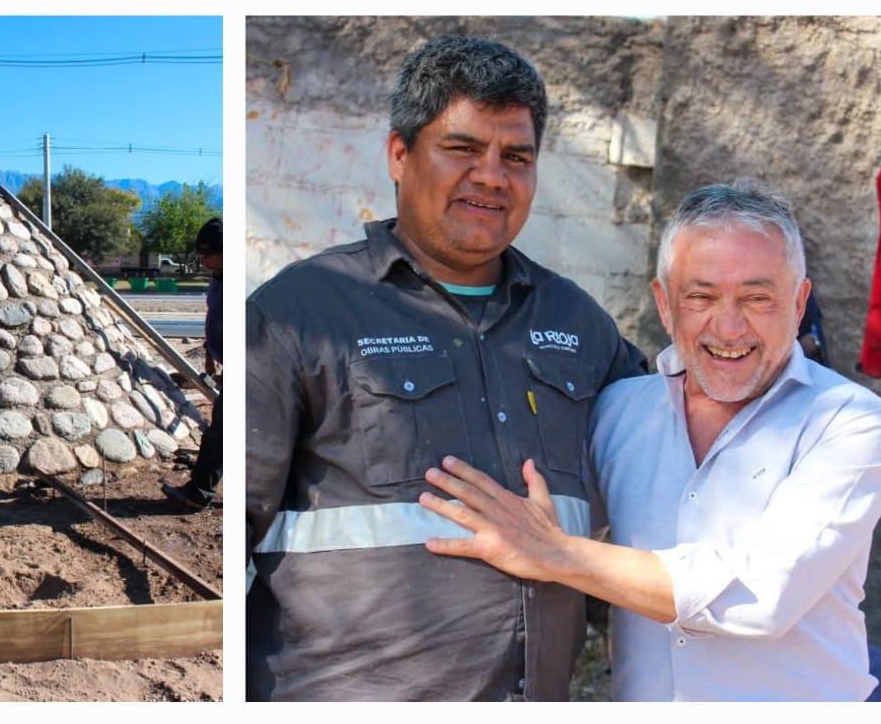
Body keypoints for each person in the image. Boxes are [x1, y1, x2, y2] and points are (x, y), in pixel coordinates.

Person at [246, 35, 646, 700]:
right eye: (462, 148)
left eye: (516, 157)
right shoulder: (299, 313)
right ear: (399, 155)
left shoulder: (579, 324)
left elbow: (665, 460)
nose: (492, 175)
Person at [419, 181, 881, 702]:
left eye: (758, 298)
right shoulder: (619, 411)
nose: (730, 326)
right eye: (701, 297)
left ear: (799, 302)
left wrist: (557, 554)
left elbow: (761, 594)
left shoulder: (849, 421)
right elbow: (542, 521)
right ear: (665, 305)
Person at [163, 217, 223, 510]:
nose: (204, 260)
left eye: (210, 254)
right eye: (202, 254)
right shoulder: (219, 279)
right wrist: (211, 355)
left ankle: (199, 493)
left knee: (220, 435)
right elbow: (215, 317)